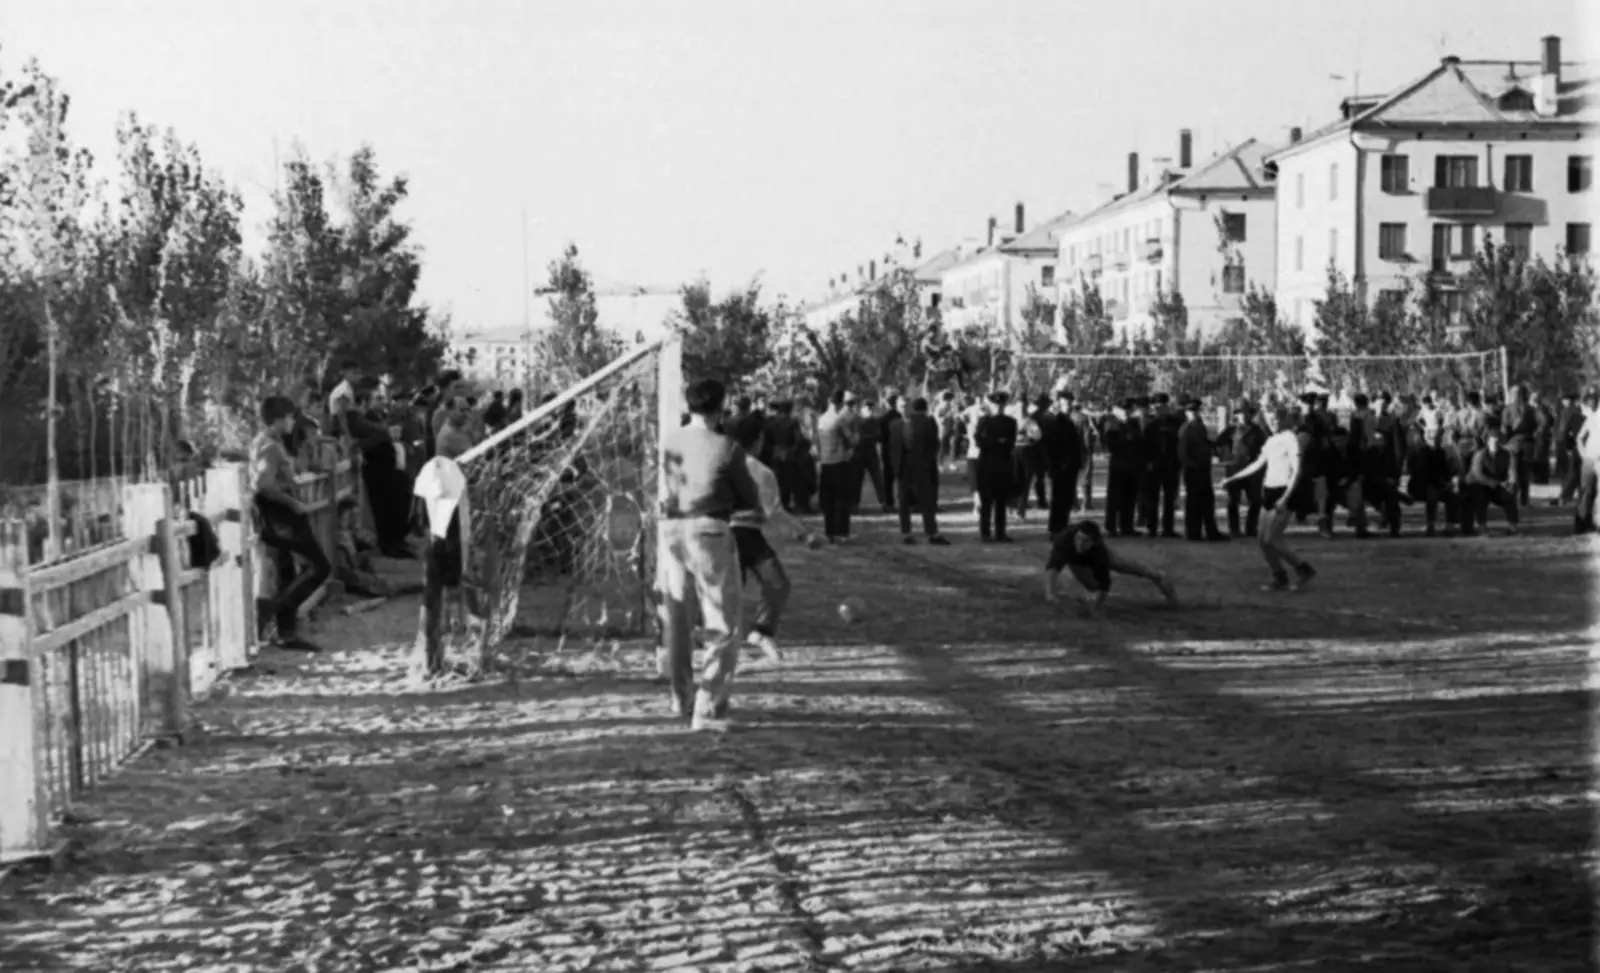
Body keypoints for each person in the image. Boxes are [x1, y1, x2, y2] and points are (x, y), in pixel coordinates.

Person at [657, 378, 763, 731]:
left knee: (679, 615)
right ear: (720, 407)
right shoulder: (727, 447)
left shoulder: (671, 440)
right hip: (709, 533)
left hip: (672, 530)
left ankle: (680, 696)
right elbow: (748, 497)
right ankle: (709, 706)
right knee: (722, 623)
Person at [728, 420, 816, 662]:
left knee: (730, 592)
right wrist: (802, 533)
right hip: (744, 535)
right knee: (777, 584)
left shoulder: (717, 466)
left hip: (725, 535)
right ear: (758, 441)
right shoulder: (760, 472)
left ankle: (750, 635)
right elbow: (774, 512)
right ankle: (759, 631)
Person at [251, 395, 331, 651]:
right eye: (288, 418)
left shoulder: (266, 442)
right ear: (277, 420)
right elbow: (264, 484)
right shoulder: (270, 446)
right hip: (282, 515)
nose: (291, 423)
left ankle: (286, 632)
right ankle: (275, 609)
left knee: (287, 572)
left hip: (278, 514)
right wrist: (292, 502)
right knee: (320, 566)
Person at [1222, 405, 1316, 593]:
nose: (1273, 422)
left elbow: (1297, 470)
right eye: (1269, 419)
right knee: (1262, 541)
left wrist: (1285, 497)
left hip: (1283, 492)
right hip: (1268, 490)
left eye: (1276, 419)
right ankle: (1279, 576)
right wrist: (1233, 477)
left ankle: (1304, 569)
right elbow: (1258, 463)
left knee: (1273, 538)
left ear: (1285, 419)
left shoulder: (1291, 439)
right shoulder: (1271, 440)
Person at [1042, 520, 1177, 617]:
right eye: (1079, 539)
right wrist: (1050, 594)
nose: (1080, 544)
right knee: (1092, 586)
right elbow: (1053, 568)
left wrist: (1095, 608)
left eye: (1085, 541)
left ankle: (1156, 575)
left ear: (1094, 542)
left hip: (1092, 556)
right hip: (1074, 560)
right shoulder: (1065, 540)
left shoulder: (1099, 551)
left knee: (1122, 565)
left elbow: (1105, 585)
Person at [887, 396, 950, 545]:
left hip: (912, 465)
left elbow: (933, 444)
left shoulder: (902, 424)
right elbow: (934, 445)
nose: (904, 408)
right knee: (915, 500)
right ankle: (919, 532)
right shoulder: (899, 425)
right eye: (902, 405)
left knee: (915, 499)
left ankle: (918, 532)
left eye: (906, 405)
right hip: (913, 465)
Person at [1178, 397, 1225, 541]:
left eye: (1196, 410)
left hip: (1204, 468)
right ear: (1186, 412)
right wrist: (1193, 465)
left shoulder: (1200, 426)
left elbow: (1204, 443)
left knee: (1207, 502)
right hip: (1193, 470)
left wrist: (1214, 449)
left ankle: (1211, 531)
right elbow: (1182, 453)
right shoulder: (1186, 429)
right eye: (1191, 411)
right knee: (1194, 503)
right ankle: (1193, 533)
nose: (1195, 413)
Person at [975, 391, 1018, 543]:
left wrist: (995, 442)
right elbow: (979, 442)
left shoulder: (1010, 422)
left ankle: (1001, 532)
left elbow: (1010, 442)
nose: (999, 407)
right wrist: (998, 442)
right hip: (987, 466)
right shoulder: (984, 422)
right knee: (986, 502)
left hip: (1003, 466)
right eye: (996, 404)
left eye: (1001, 404)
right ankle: (985, 533)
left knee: (1001, 502)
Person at [815, 390, 857, 543]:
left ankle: (829, 532)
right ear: (840, 403)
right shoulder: (840, 420)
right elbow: (850, 441)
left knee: (828, 500)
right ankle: (842, 533)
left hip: (825, 462)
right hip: (839, 462)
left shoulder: (821, 419)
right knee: (842, 499)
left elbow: (817, 442)